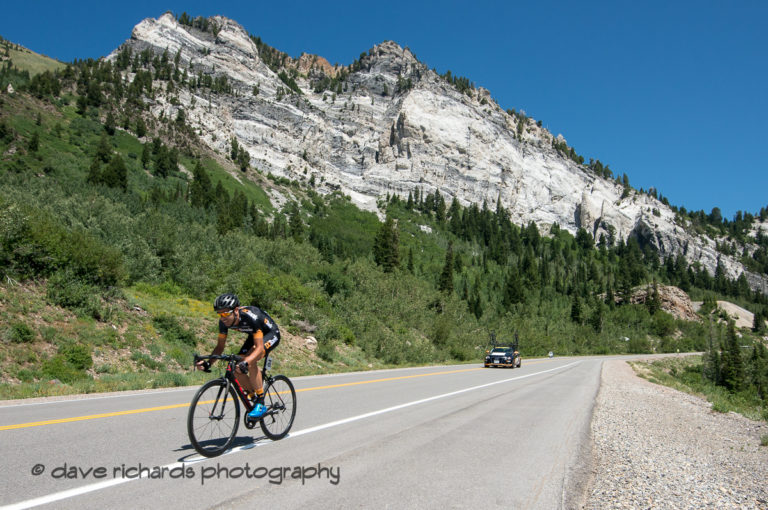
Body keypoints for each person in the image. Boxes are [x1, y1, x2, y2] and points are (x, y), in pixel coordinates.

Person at [196, 293, 281, 419]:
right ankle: (253, 396)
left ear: (236, 310)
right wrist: (208, 363)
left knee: (250, 361)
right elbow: (219, 347)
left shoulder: (251, 317)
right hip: (253, 336)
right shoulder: (223, 322)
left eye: (225, 313)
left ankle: (261, 402)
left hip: (270, 333)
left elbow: (258, 348)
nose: (222, 317)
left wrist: (246, 362)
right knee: (236, 369)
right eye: (219, 314)